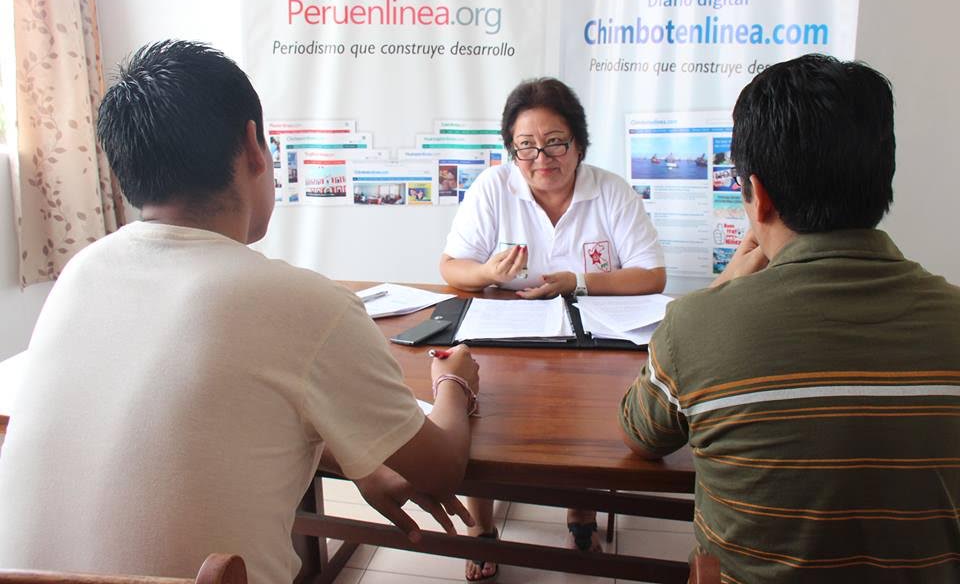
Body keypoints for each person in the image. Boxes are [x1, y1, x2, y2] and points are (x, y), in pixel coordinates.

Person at [0, 40, 480, 583]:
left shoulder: (81, 273)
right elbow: (442, 469)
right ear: (254, 147)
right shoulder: (305, 304)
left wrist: (358, 453)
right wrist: (454, 384)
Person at [618, 54, 960, 583]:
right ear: (883, 180)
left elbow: (641, 435)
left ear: (758, 196)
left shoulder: (697, 327)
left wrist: (719, 291)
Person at [440, 77, 666, 582]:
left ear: (579, 144)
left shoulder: (611, 191)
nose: (541, 158)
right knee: (484, 413)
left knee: (588, 418)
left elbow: (652, 275)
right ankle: (482, 527)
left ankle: (580, 515)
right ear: (512, 149)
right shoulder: (494, 187)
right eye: (525, 145)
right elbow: (451, 267)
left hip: (591, 338)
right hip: (505, 335)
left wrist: (578, 282)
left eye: (555, 142)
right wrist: (487, 272)